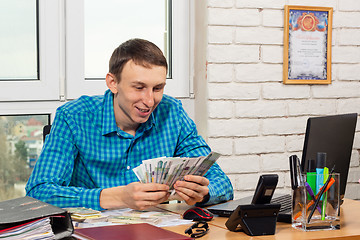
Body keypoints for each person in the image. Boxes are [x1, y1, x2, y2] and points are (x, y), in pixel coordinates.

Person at [26, 38, 233, 211]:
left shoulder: (173, 113)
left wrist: (203, 193)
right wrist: (116, 197)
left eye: (158, 88)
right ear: (112, 83)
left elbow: (222, 184)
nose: (150, 101)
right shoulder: (74, 117)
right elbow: (39, 191)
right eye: (139, 87)